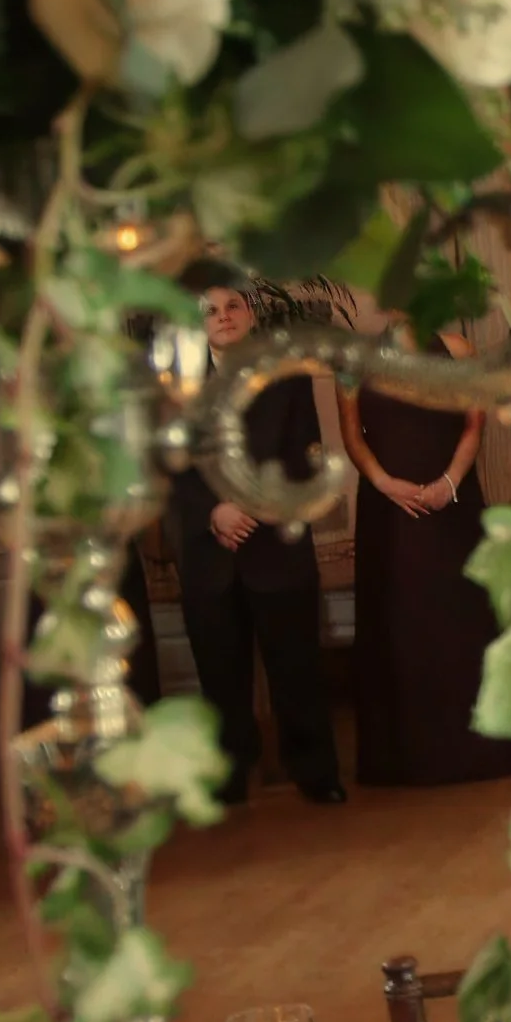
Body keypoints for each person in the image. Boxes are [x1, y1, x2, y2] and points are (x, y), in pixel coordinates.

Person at [168, 274, 344, 805]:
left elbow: (300, 455)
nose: (223, 315)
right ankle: (228, 780)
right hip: (209, 551)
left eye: (233, 305)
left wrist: (249, 502)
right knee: (221, 676)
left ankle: (317, 774)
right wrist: (213, 512)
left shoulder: (286, 378)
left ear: (250, 314)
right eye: (210, 309)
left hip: (278, 545)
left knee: (297, 668)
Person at [339, 320, 511, 789]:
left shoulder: (459, 350)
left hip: (452, 504)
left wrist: (450, 484)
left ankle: (481, 749)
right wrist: (383, 484)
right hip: (388, 508)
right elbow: (352, 434)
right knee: (400, 621)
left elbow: (474, 424)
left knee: (460, 619)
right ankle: (402, 759)